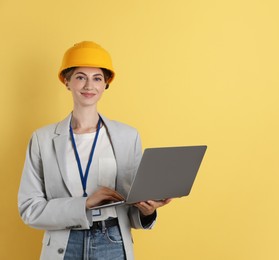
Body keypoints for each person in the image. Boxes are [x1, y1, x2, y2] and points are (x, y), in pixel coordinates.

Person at [18, 41, 171, 260]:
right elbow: (29, 209)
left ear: (106, 84)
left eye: (97, 78)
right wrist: (85, 203)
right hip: (64, 243)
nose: (89, 85)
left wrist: (148, 211)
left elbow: (132, 207)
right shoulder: (42, 139)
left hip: (113, 241)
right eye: (80, 77)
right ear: (67, 81)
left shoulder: (128, 136)